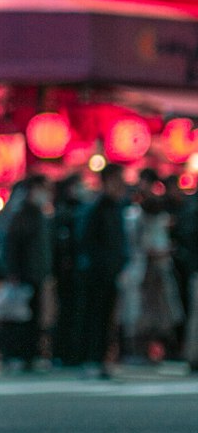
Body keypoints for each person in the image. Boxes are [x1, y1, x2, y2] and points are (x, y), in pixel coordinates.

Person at [81, 162, 130, 379]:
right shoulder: (98, 209)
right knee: (97, 318)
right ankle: (93, 359)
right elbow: (88, 242)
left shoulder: (116, 208)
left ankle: (100, 359)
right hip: (99, 273)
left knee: (106, 318)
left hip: (111, 272)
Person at [0, 174, 52, 371]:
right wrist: (12, 271)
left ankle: (29, 355)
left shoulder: (38, 214)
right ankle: (16, 354)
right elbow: (13, 245)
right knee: (19, 319)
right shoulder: (23, 214)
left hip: (34, 274)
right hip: (23, 275)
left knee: (31, 318)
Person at [136, 192, 184, 362]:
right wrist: (166, 251)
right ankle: (151, 352)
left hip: (160, 273)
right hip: (151, 274)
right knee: (152, 316)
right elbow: (147, 249)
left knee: (162, 316)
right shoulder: (145, 223)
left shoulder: (158, 221)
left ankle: (158, 351)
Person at [51, 172, 88, 367]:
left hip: (75, 272)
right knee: (66, 313)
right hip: (67, 274)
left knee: (73, 313)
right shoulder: (64, 213)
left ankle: (72, 353)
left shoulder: (81, 210)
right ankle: (64, 353)